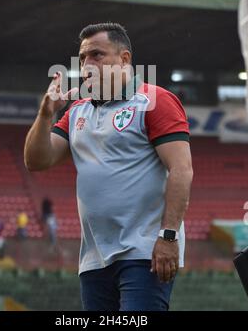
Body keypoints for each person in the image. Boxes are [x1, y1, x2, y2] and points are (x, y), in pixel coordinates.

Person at [24, 22, 193, 311]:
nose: (87, 64)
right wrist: (45, 115)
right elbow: (37, 161)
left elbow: (182, 170)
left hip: (144, 252)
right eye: (83, 58)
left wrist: (168, 237)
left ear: (124, 59)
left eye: (97, 55)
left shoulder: (155, 100)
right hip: (93, 258)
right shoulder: (78, 109)